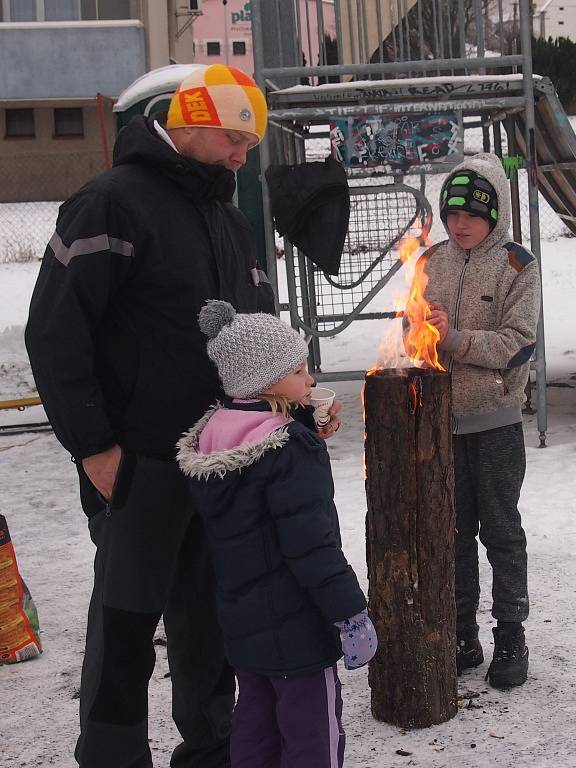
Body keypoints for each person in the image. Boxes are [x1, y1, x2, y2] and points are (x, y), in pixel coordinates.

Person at [25, 64, 344, 768]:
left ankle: (211, 749)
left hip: (224, 460)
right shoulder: (109, 204)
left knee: (211, 616)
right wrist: (95, 446)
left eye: (248, 143)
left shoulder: (227, 221)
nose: (242, 155)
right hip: (138, 462)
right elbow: (54, 332)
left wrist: (294, 401)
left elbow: (257, 334)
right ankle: (111, 754)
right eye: (234, 138)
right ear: (193, 122)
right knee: (126, 623)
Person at [177, 300, 377, 768]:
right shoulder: (290, 452)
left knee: (255, 721)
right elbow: (312, 547)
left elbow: (257, 502)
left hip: (244, 623)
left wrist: (301, 421)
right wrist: (350, 613)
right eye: (298, 370)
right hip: (299, 625)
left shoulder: (216, 437)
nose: (310, 379)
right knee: (312, 731)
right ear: (264, 381)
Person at [416, 152, 541, 689]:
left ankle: (510, 631)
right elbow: (413, 332)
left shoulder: (517, 264)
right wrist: (423, 331)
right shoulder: (431, 263)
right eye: (452, 213)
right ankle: (462, 630)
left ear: (495, 213)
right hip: (442, 423)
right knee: (453, 531)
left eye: (471, 213)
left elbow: (518, 344)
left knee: (501, 530)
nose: (459, 223)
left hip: (494, 422)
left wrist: (456, 339)